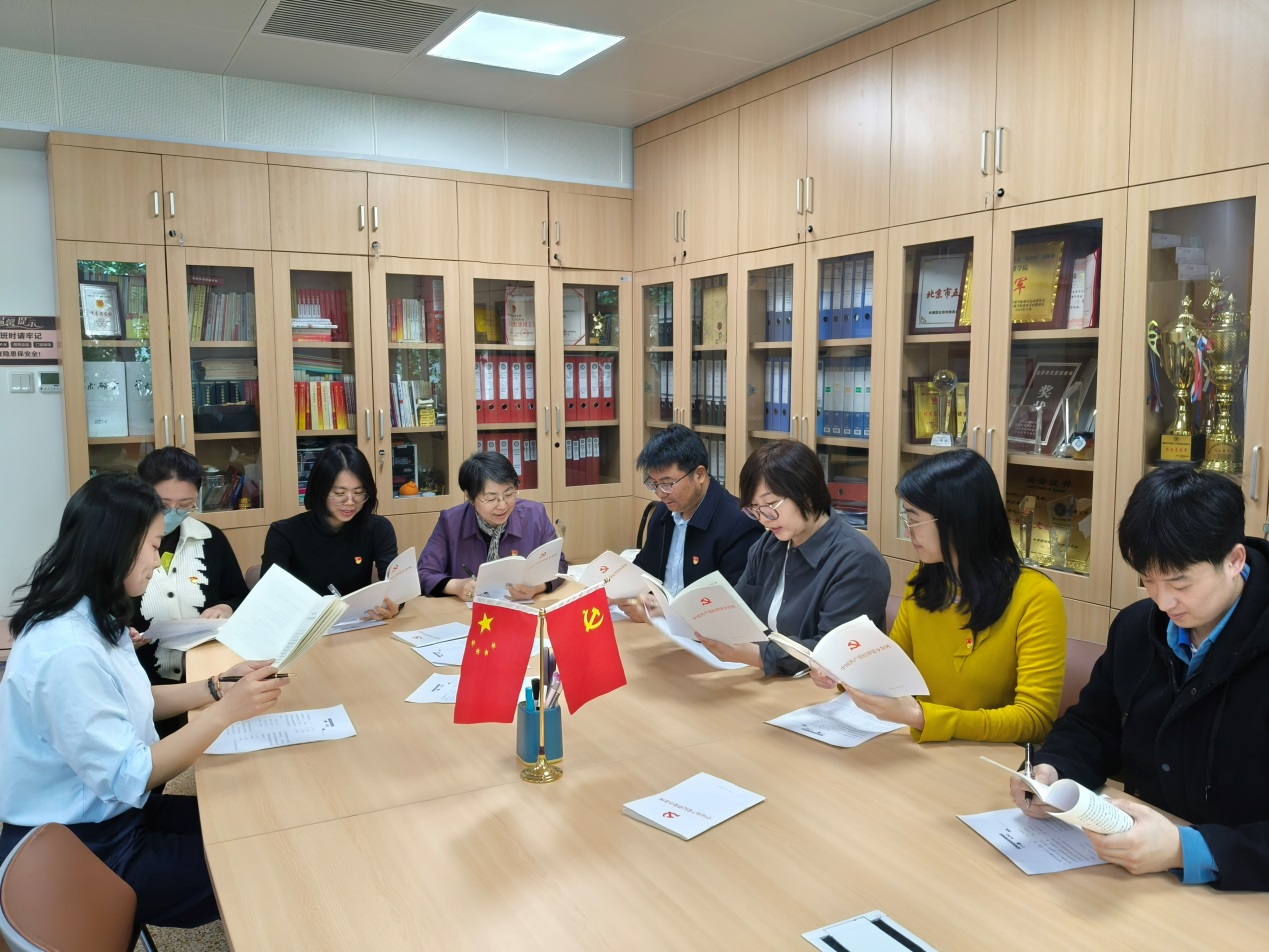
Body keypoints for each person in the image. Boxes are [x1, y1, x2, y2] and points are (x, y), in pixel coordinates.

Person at [0, 473, 287, 928]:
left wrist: (216, 688)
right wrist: (225, 714)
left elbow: (133, 700)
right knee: (260, 862)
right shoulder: (67, 649)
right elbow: (130, 775)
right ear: (115, 546)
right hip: (80, 844)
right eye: (154, 545)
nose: (158, 559)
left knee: (259, 823)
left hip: (117, 812)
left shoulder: (91, 611)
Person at [1010, 464, 1269, 891]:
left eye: (1180, 583)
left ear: (1234, 560)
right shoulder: (1136, 628)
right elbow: (1094, 725)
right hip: (1131, 873)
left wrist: (1187, 849)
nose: (1163, 602)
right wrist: (1054, 770)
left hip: (1241, 892)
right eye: (1148, 580)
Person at [814, 449, 1065, 744]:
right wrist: (842, 672)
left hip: (987, 758)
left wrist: (921, 717)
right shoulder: (924, 583)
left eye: (913, 519)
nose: (907, 531)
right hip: (924, 748)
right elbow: (891, 672)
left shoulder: (1035, 597)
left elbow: (1034, 719)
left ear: (957, 521)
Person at [696, 439, 889, 675]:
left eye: (770, 504)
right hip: (767, 678)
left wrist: (757, 655)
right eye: (754, 509)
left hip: (827, 689)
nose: (763, 519)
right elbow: (736, 608)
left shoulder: (857, 561)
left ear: (806, 494)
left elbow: (834, 651)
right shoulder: (768, 544)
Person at [130, 447, 249, 684]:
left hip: (210, 672)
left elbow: (239, 596)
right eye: (163, 504)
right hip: (143, 680)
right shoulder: (121, 547)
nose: (173, 513)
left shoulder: (210, 538)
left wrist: (226, 607)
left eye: (185, 504)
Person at [624, 424, 763, 623]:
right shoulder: (664, 512)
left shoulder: (739, 523)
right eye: (654, 484)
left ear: (699, 474)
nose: (660, 493)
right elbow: (644, 569)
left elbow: (733, 607)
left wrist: (666, 611)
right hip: (658, 626)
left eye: (667, 484)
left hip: (704, 635)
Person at [261, 444, 399, 618]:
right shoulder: (283, 534)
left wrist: (394, 605)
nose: (350, 502)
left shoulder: (378, 528)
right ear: (320, 491)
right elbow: (269, 599)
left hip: (358, 624)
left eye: (358, 492)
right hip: (304, 626)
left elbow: (395, 587)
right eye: (340, 493)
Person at [417, 451, 566, 601]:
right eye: (491, 499)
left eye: (509, 495)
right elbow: (424, 574)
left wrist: (536, 587)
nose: (502, 506)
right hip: (467, 611)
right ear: (470, 496)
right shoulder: (451, 522)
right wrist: (457, 586)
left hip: (519, 608)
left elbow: (558, 564)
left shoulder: (535, 515)